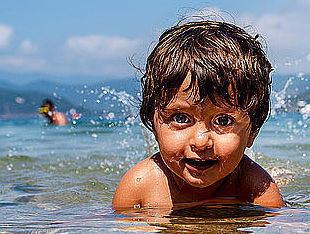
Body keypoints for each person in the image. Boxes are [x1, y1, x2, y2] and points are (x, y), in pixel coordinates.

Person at [112, 21, 284, 209]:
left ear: (253, 133)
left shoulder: (255, 187)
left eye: (223, 120)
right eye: (181, 118)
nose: (201, 142)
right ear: (153, 125)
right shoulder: (140, 186)